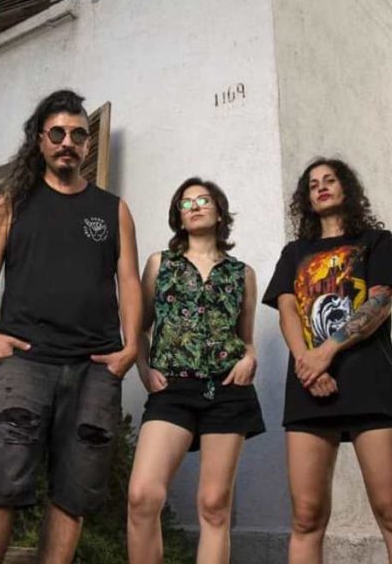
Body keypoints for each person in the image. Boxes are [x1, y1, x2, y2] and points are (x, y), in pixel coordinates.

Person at [0, 89, 141, 564]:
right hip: (24, 363)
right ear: (40, 140)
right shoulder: (9, 204)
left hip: (94, 368)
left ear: (88, 143)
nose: (68, 142)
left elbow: (129, 281)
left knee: (74, 493)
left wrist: (129, 350)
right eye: (58, 133)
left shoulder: (113, 209)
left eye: (78, 134)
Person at [263, 158, 392, 564]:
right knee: (305, 518)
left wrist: (326, 352)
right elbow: (287, 310)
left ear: (346, 188)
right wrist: (307, 363)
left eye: (330, 180)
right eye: (312, 183)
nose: (321, 187)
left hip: (370, 385)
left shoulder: (376, 241)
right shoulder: (294, 253)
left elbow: (379, 302)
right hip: (308, 389)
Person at [126, 178, 264, 564]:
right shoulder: (160, 264)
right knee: (142, 496)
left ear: (219, 212)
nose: (195, 207)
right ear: (179, 216)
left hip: (228, 391)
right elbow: (140, 328)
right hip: (172, 389)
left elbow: (246, 339)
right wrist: (144, 370)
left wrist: (249, 358)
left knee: (215, 505)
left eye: (203, 200)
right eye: (186, 203)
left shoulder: (242, 273)